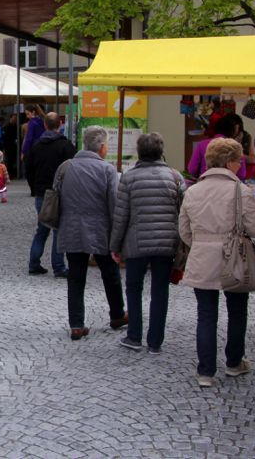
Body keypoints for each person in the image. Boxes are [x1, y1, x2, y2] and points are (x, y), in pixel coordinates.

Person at [179, 137, 255, 387]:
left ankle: (205, 371)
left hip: (202, 257)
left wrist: (202, 243)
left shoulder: (193, 191)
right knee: (237, 312)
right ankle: (234, 362)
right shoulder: (241, 191)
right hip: (235, 258)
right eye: (238, 161)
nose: (240, 165)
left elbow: (184, 231)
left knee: (206, 315)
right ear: (229, 162)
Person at [110, 133, 184, 354]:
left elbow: (121, 215)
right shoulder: (175, 176)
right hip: (166, 243)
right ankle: (155, 341)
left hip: (136, 243)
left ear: (139, 152)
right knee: (160, 290)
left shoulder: (129, 178)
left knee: (134, 288)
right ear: (161, 151)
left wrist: (115, 245)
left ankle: (134, 335)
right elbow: (183, 212)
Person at [55, 126, 128, 340]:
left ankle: (76, 324)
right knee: (111, 273)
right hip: (100, 229)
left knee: (76, 277)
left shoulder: (66, 167)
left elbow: (57, 195)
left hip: (71, 227)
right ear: (102, 147)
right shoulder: (107, 170)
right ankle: (117, 314)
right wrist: (118, 234)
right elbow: (114, 204)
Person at [25, 112, 75, 277]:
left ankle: (34, 263)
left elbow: (29, 170)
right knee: (58, 231)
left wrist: (34, 189)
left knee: (42, 230)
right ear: (60, 124)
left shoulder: (36, 146)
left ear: (45, 125)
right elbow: (73, 170)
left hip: (41, 193)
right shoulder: (66, 146)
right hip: (60, 194)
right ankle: (59, 266)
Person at [188, 113, 247, 180]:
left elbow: (192, 170)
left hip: (205, 182)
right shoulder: (235, 148)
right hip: (229, 184)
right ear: (233, 131)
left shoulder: (201, 144)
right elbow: (242, 175)